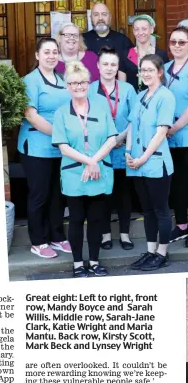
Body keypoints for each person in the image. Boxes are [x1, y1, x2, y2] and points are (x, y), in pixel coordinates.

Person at [52, 61, 117, 278]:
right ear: (67, 86)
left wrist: (94, 161)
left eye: (82, 82)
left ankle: (95, 261)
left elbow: (112, 138)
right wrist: (88, 162)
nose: (78, 86)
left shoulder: (101, 106)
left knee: (98, 219)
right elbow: (63, 147)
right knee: (77, 220)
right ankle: (78, 263)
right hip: (74, 174)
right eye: (73, 83)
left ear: (89, 83)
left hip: (100, 172)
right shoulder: (61, 112)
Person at [17, 37, 71, 258]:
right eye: (46, 52)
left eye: (54, 52)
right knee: (39, 195)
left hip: (59, 148)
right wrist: (60, 136)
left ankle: (57, 236)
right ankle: (38, 241)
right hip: (37, 146)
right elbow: (31, 115)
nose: (51, 56)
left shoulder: (61, 79)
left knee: (58, 194)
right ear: (37, 55)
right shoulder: (30, 81)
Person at [126, 54, 175, 271]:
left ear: (159, 72)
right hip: (136, 162)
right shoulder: (140, 96)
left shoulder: (166, 96)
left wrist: (142, 158)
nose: (145, 73)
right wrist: (128, 152)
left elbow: (162, 131)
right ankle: (150, 250)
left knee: (160, 210)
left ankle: (162, 253)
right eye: (142, 70)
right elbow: (131, 127)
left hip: (154, 162)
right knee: (147, 211)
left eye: (150, 70)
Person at [89, 46, 137, 250]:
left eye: (113, 64)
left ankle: (125, 234)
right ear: (98, 66)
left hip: (124, 148)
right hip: (100, 151)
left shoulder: (127, 89)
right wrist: (107, 140)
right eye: (105, 64)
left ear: (118, 67)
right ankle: (105, 234)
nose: (109, 68)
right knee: (103, 195)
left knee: (123, 194)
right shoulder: (89, 89)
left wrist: (122, 137)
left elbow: (135, 118)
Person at [164, 26, 188, 245]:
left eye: (182, 42)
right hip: (168, 139)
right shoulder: (164, 68)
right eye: (174, 42)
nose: (177, 46)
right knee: (177, 183)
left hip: (184, 134)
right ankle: (181, 225)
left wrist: (174, 128)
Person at [83, 2, 133, 80]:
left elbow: (132, 70)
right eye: (96, 14)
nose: (100, 18)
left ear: (110, 17)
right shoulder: (82, 40)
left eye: (104, 14)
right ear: (91, 18)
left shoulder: (123, 41)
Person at [120, 14, 169, 92]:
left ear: (151, 30)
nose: (140, 32)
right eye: (136, 29)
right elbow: (121, 85)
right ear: (133, 31)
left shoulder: (161, 55)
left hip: (154, 100)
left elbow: (164, 83)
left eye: (144, 29)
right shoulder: (125, 55)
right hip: (131, 100)